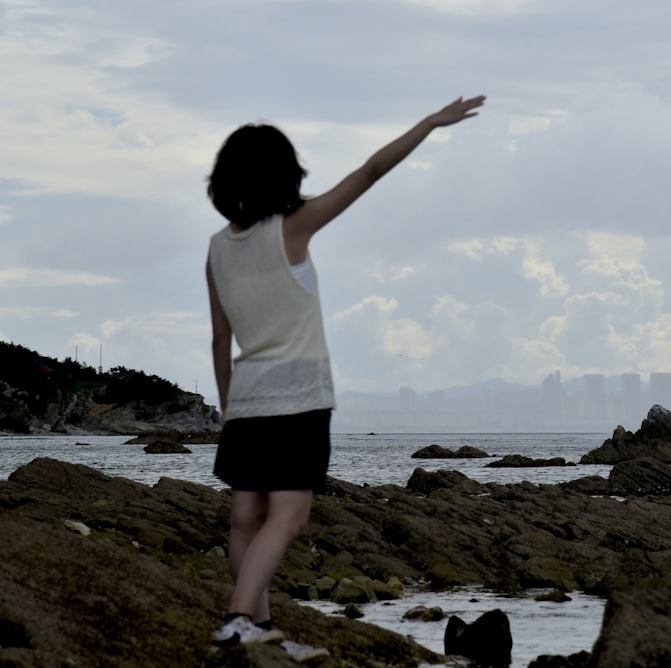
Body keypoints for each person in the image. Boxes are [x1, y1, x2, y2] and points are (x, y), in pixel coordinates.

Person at [204, 94, 486, 660]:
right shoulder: (292, 228)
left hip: (247, 400)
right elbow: (371, 171)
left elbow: (219, 339)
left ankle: (259, 629)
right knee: (288, 518)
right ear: (285, 173)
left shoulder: (216, 249)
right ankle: (237, 620)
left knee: (244, 518)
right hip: (299, 400)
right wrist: (429, 123)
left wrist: (229, 409)